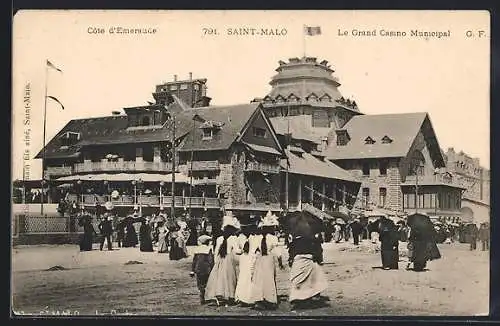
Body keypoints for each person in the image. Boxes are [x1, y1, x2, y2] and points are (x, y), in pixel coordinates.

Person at [204, 216, 241, 306]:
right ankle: (229, 296)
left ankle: (220, 295)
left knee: (219, 278)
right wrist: (242, 250)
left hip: (221, 259)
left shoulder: (219, 239)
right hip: (228, 260)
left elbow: (216, 252)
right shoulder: (233, 238)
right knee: (229, 278)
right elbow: (237, 251)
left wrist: (216, 262)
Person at [250, 213, 284, 310]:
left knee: (259, 279)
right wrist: (280, 263)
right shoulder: (273, 238)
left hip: (260, 260)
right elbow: (278, 253)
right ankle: (269, 299)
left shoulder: (258, 238)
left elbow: (254, 252)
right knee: (269, 279)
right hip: (269, 260)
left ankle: (259, 300)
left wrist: (252, 265)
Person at [288, 233, 328, 310]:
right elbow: (318, 251)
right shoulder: (313, 240)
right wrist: (319, 260)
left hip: (298, 263)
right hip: (308, 261)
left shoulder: (295, 241)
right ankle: (310, 296)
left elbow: (291, 253)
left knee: (298, 281)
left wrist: (290, 261)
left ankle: (298, 298)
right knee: (315, 278)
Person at [235, 223, 257, 306]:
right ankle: (248, 298)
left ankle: (242, 298)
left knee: (244, 277)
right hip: (249, 258)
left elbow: (237, 250)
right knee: (249, 277)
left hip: (245, 258)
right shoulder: (253, 238)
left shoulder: (240, 238)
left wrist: (241, 251)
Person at [190, 234, 215, 304]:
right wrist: (213, 268)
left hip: (198, 269)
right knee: (207, 283)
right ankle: (207, 296)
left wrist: (192, 270)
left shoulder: (197, 249)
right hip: (207, 269)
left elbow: (194, 261)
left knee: (200, 283)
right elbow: (210, 261)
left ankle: (202, 295)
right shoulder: (208, 249)